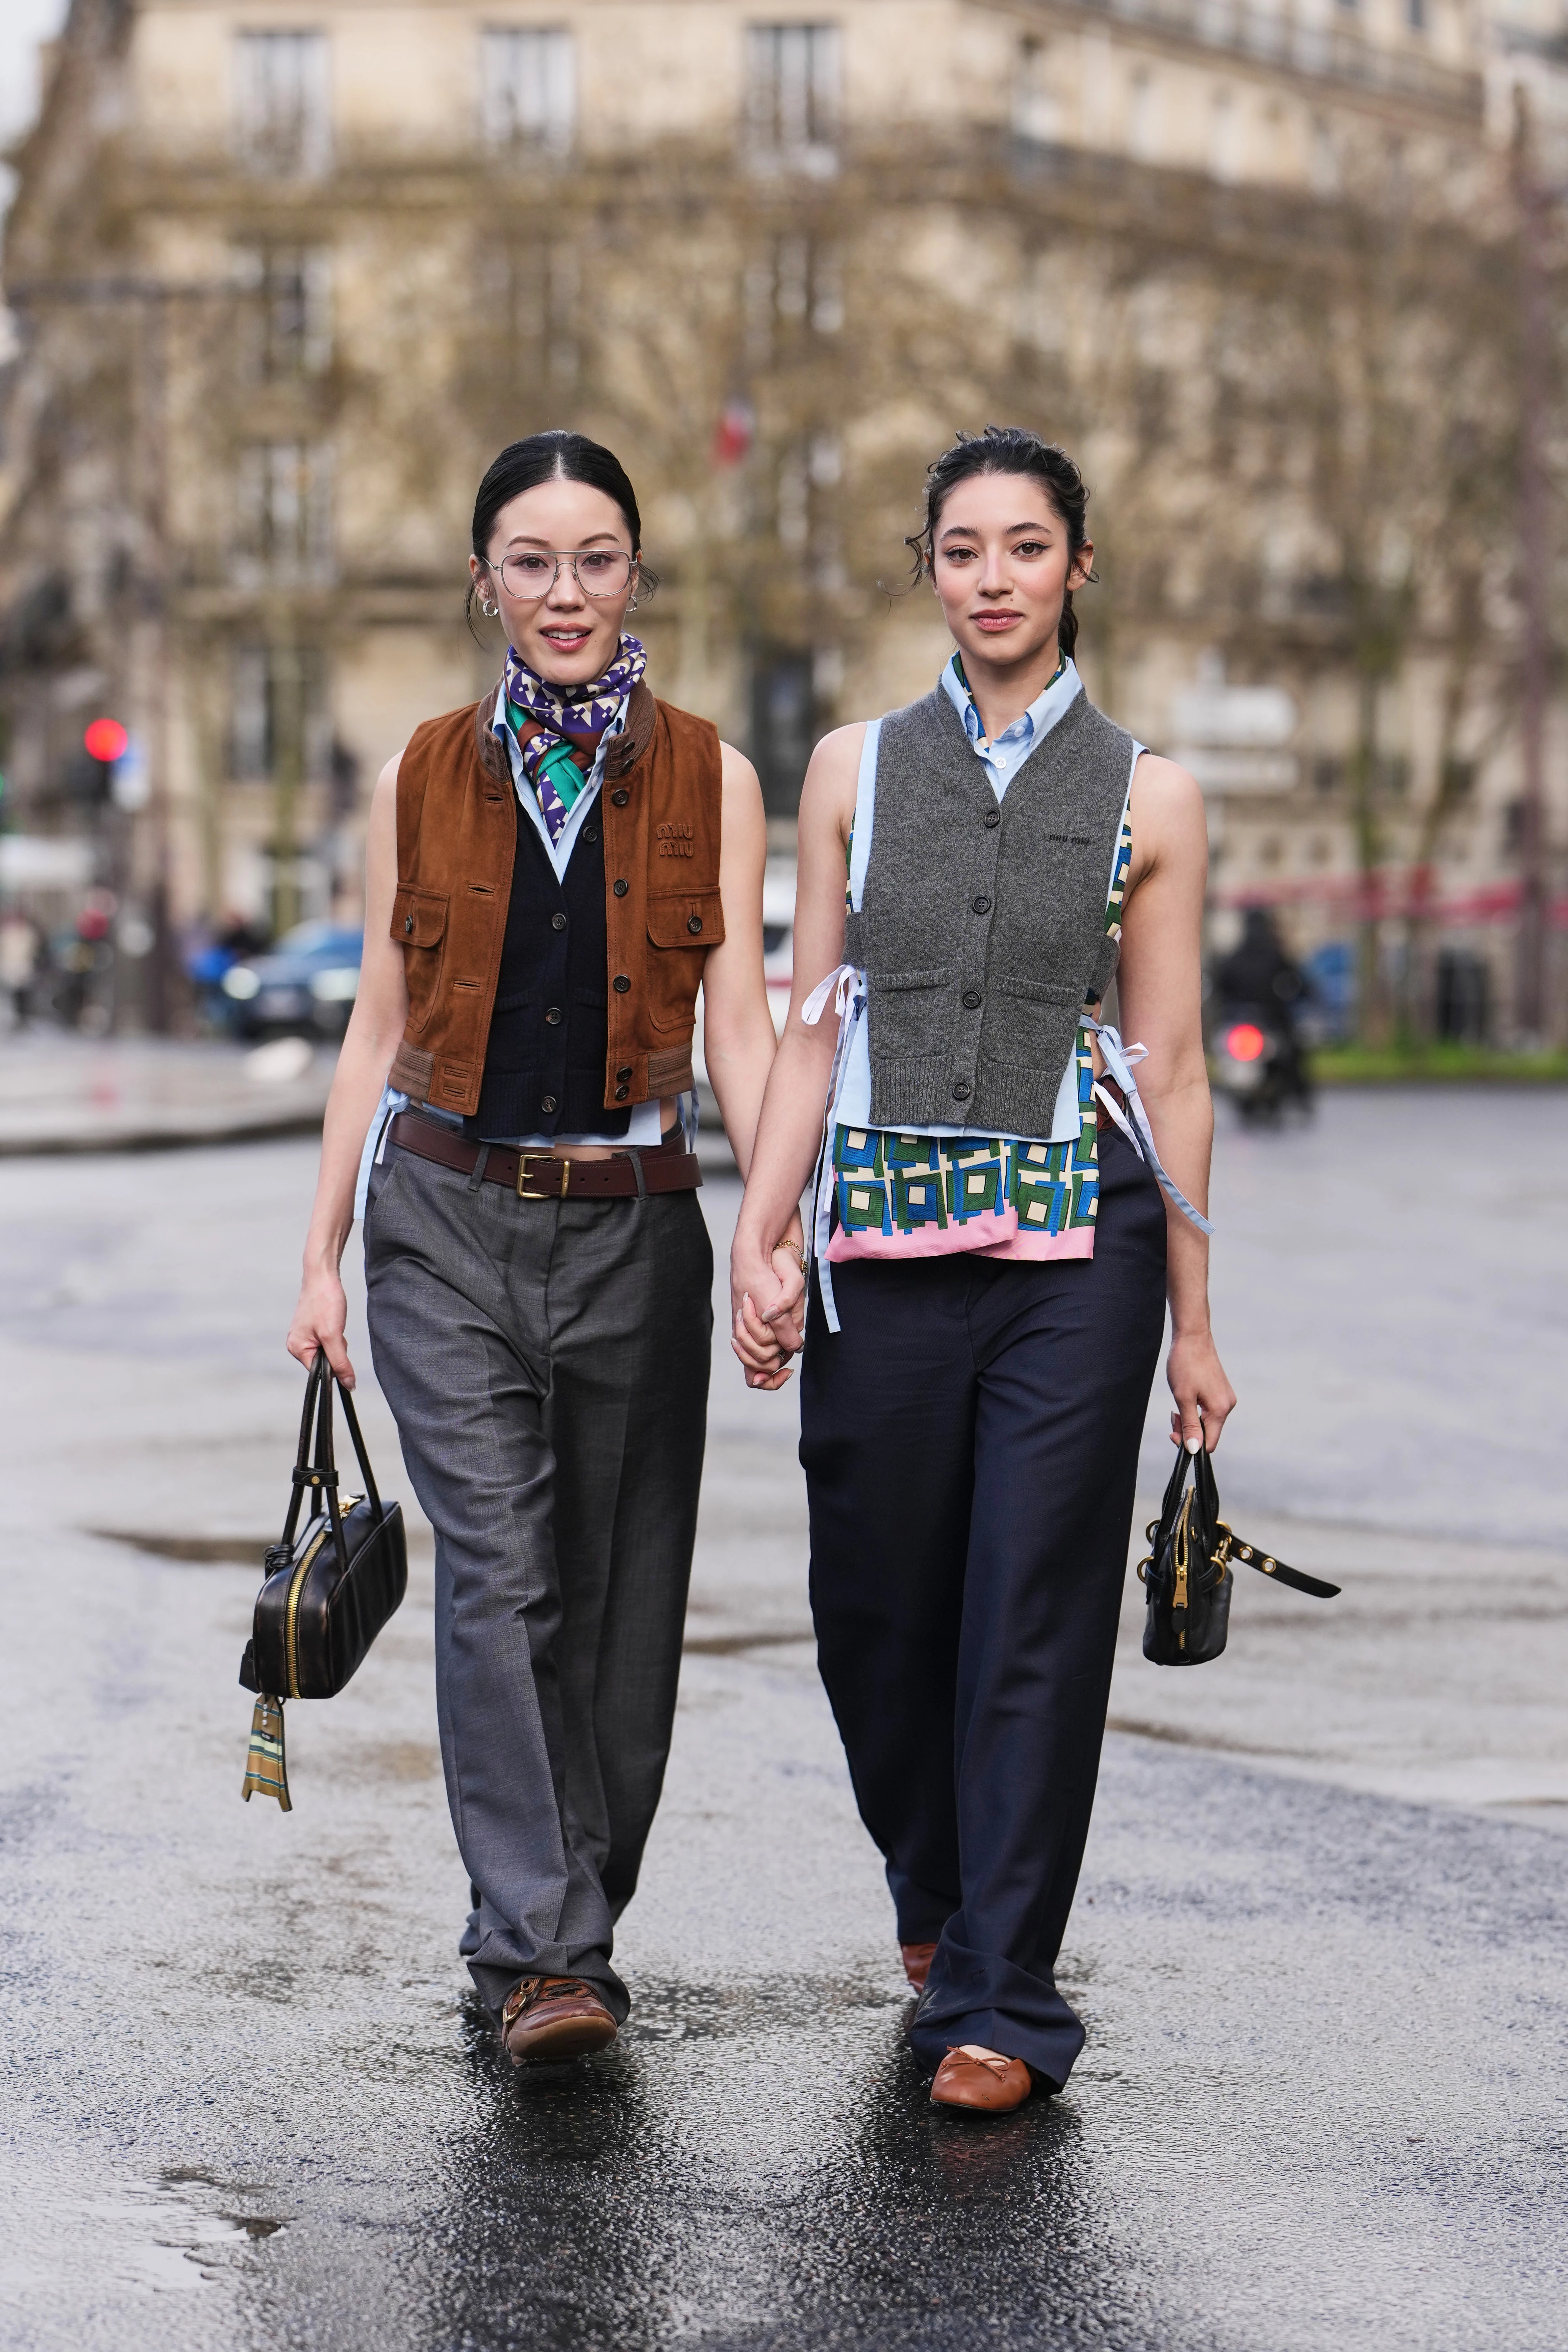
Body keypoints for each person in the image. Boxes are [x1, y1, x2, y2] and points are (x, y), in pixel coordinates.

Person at [730, 426, 1236, 2115]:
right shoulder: (847, 773)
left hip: (1076, 1251)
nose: (996, 578)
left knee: (1033, 1605)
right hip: (882, 1245)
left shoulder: (1154, 794)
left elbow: (1168, 1067)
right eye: (964, 550)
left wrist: (1197, 1323)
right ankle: (935, 1901)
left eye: (1028, 548)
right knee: (875, 1605)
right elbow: (812, 1024)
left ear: (1077, 569)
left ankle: (1006, 2003)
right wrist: (765, 1220)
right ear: (931, 570)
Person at [287, 430, 802, 2068]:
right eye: (531, 560)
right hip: (438, 1218)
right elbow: (377, 1026)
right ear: (481, 580)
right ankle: (537, 1948)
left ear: (634, 574)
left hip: (639, 1227)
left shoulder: (712, 774)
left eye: (595, 559)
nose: (564, 591)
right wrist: (319, 1258)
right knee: (497, 1572)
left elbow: (739, 1027)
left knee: (620, 1611)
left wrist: (769, 1235)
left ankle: (569, 1910)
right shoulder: (421, 770)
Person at [1215, 905, 1314, 1106]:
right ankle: (1300, 1096)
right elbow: (1299, 982)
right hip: (1269, 1021)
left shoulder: (1234, 957)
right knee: (1294, 1051)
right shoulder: (1276, 955)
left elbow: (1220, 988)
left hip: (1239, 1021)